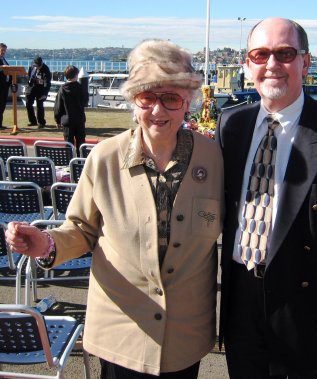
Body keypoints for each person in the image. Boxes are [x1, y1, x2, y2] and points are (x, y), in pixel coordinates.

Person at [6, 39, 224, 378]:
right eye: (147, 97)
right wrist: (46, 244)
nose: (158, 110)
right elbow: (80, 229)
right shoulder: (105, 157)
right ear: (133, 102)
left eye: (170, 98)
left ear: (187, 103)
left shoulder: (214, 158)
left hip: (186, 337)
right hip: (122, 334)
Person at [216, 17, 317, 378]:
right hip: (241, 305)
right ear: (247, 64)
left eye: (285, 53)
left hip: (308, 313)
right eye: (260, 54)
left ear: (305, 62)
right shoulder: (231, 125)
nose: (272, 64)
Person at [54, 65, 89, 156]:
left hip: (67, 120)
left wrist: (57, 120)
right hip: (79, 119)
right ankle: (81, 162)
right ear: (76, 75)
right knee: (81, 144)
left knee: (68, 144)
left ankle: (70, 163)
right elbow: (85, 101)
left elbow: (58, 106)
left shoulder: (62, 89)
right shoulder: (80, 88)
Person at [25, 56, 51, 128]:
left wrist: (45, 94)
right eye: (36, 66)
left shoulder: (46, 69)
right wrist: (28, 78)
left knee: (39, 105)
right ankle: (32, 121)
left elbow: (47, 83)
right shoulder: (32, 66)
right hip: (31, 87)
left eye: (39, 66)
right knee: (28, 104)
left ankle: (41, 122)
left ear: (42, 63)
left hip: (41, 88)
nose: (37, 68)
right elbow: (29, 75)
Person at [0, 43, 11, 130]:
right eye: (2, 50)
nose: (3, 52)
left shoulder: (3, 59)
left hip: (5, 86)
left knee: (3, 105)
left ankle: (0, 124)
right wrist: (2, 67)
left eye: (4, 51)